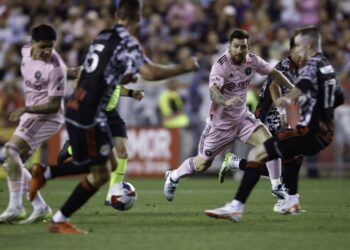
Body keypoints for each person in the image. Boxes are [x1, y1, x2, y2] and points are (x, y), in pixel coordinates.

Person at [29, 0, 198, 234]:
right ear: (137, 18)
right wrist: (184, 67)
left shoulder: (102, 36)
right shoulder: (128, 41)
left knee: (107, 165)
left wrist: (121, 78)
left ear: (117, 14)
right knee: (99, 172)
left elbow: (93, 71)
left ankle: (47, 175)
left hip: (80, 105)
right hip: (90, 112)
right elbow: (150, 72)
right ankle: (57, 215)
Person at [205, 26, 344, 222]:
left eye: (298, 46)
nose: (295, 50)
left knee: (261, 154)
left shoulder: (311, 65)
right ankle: (290, 200)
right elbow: (338, 96)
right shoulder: (326, 65)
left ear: (308, 46)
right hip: (320, 130)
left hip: (307, 129)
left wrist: (287, 101)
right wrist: (318, 106)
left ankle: (237, 204)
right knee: (289, 158)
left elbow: (299, 86)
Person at [163, 28, 294, 204]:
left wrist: (293, 89)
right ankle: (173, 176)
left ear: (248, 47)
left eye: (243, 47)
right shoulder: (221, 65)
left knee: (271, 145)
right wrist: (225, 101)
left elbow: (274, 73)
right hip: (220, 125)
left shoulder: (252, 61)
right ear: (229, 46)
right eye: (236, 46)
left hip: (242, 119)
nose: (240, 50)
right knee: (202, 164)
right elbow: (213, 93)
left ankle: (277, 187)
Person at [219, 35, 305, 215]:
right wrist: (282, 114)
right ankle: (284, 199)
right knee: (286, 156)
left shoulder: (298, 68)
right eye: (298, 51)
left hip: (273, 115)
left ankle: (235, 163)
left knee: (286, 158)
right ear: (290, 52)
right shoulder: (286, 65)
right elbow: (274, 86)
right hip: (269, 116)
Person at [29, 84, 144, 206]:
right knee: (97, 153)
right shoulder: (94, 68)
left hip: (111, 114)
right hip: (94, 113)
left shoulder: (115, 68)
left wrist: (131, 93)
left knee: (123, 151)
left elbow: (116, 86)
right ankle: (70, 149)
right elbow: (77, 84)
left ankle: (113, 194)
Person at [0, 24, 66, 224]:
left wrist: (26, 109)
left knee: (10, 152)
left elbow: (54, 106)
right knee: (12, 161)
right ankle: (41, 207)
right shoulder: (25, 51)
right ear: (33, 43)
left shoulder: (56, 68)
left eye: (51, 47)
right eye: (43, 46)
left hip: (47, 117)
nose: (47, 51)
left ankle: (16, 208)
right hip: (31, 115)